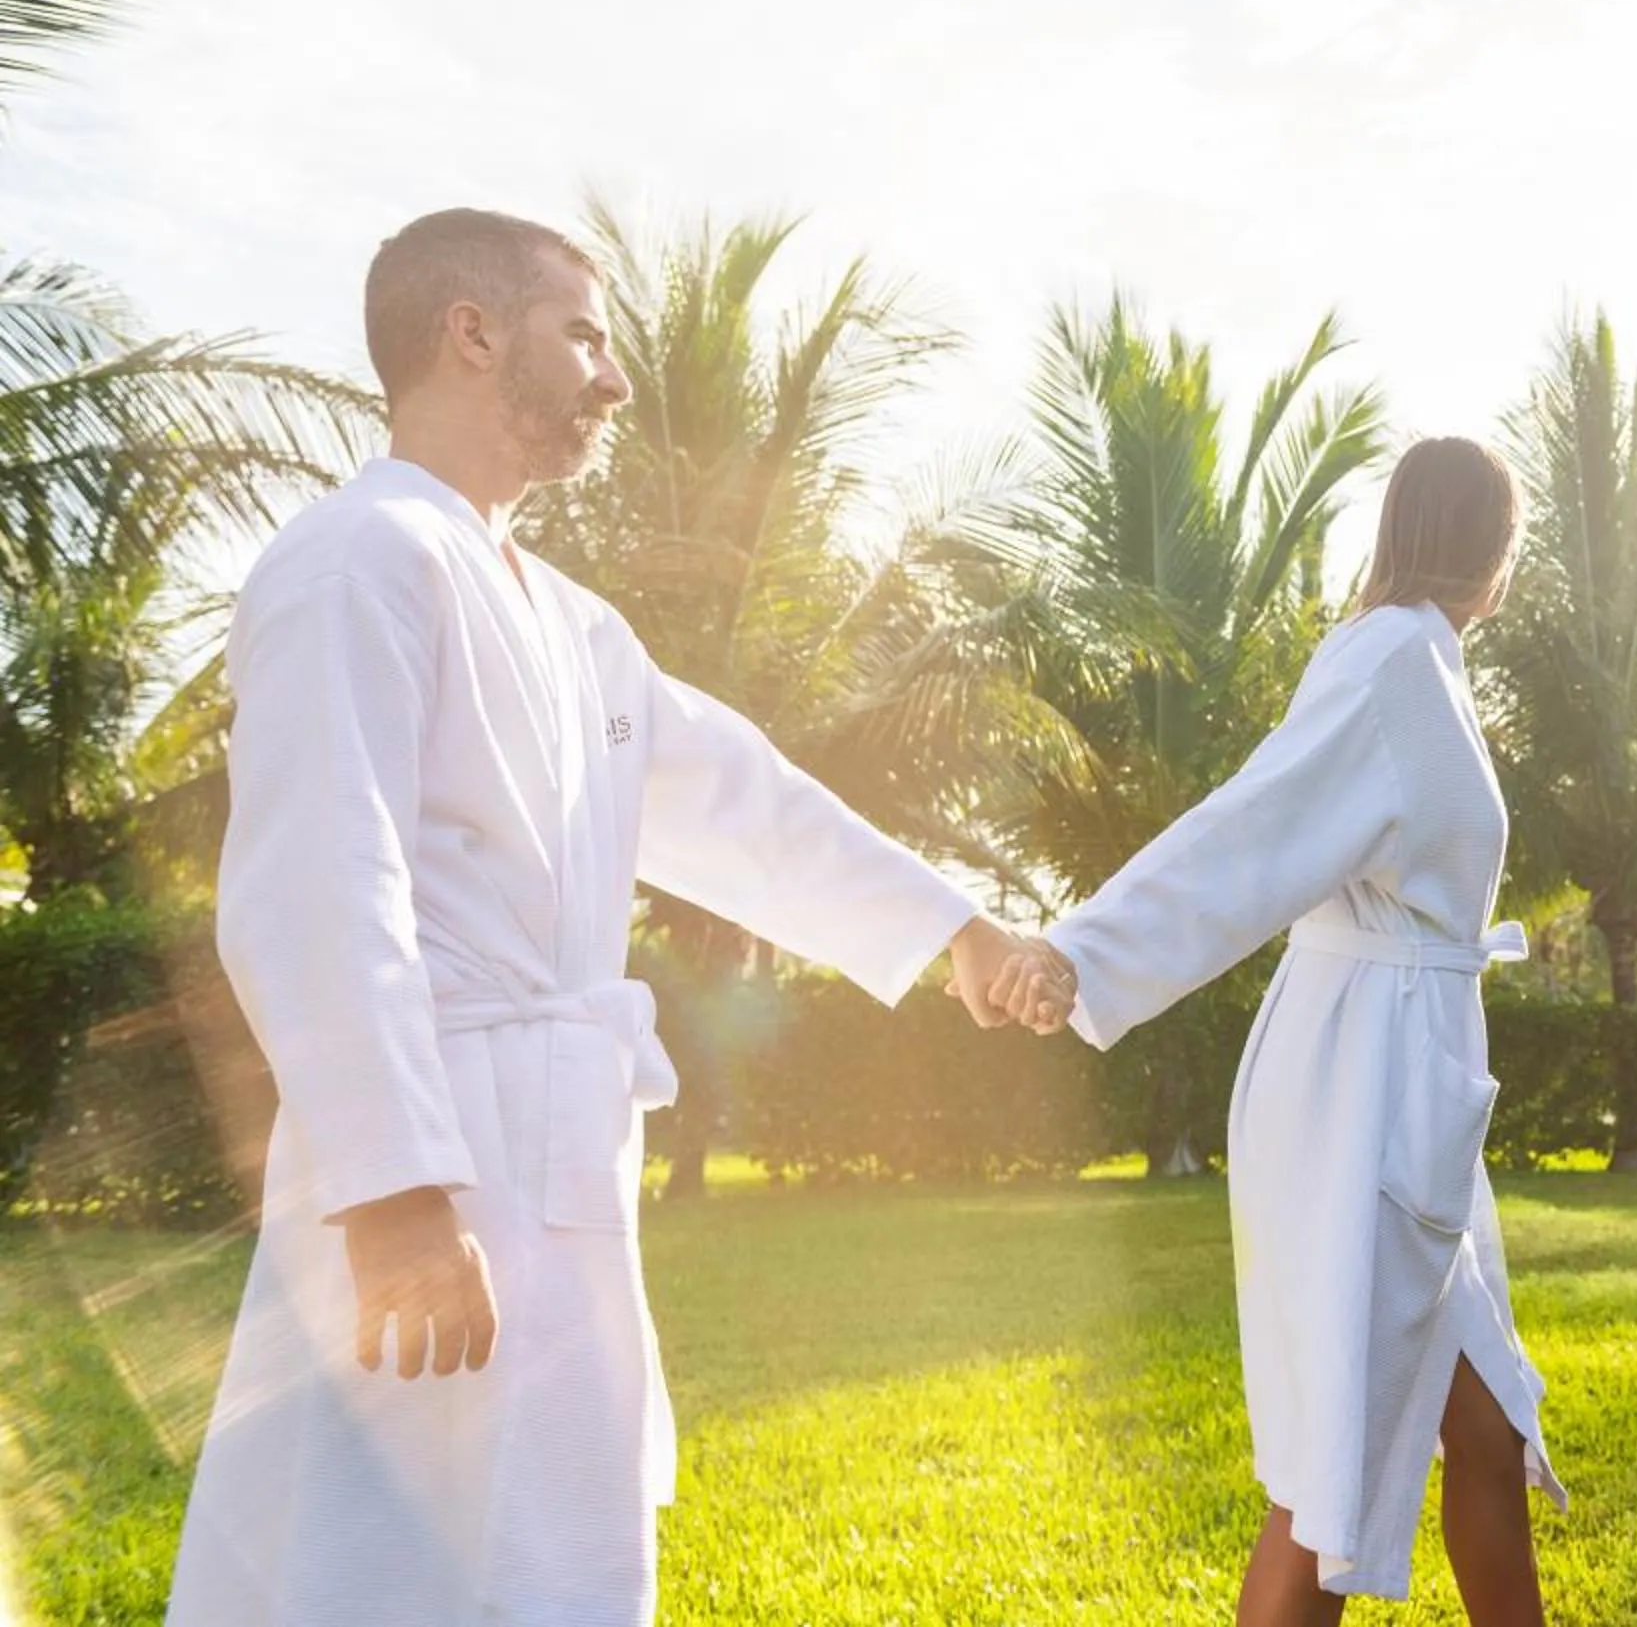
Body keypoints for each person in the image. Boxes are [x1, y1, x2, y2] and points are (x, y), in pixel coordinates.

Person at [166, 208, 1056, 1627]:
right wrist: (396, 1199)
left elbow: (745, 802)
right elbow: (320, 884)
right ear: (470, 330)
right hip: (427, 1155)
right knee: (379, 1560)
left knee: (556, 1560)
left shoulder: (574, 624)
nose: (614, 375)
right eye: (583, 332)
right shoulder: (356, 558)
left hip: (563, 1156)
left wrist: (955, 928)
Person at [984, 436, 1563, 1626]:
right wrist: (1079, 951)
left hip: (1415, 1084)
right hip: (1364, 1091)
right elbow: (1243, 836)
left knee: (1487, 1424)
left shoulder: (1414, 659)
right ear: (1495, 553)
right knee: (1329, 1470)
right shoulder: (1391, 663)